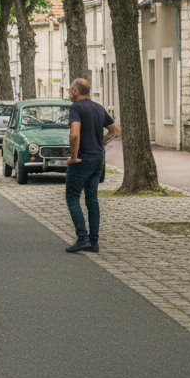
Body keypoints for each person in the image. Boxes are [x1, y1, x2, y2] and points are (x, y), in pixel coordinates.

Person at [64, 77, 121, 254]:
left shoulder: (76, 108)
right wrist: (101, 142)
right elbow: (116, 130)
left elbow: (74, 134)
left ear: (75, 91)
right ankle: (93, 242)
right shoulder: (98, 108)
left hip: (83, 158)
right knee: (92, 199)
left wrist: (73, 157)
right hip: (98, 158)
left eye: (70, 90)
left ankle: (82, 238)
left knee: (72, 197)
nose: (70, 93)